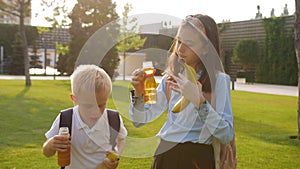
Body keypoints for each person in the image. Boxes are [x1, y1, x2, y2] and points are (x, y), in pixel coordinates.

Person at [129, 14, 236, 169]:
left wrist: (200, 103)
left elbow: (226, 134)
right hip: (165, 156)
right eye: (179, 41)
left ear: (206, 48)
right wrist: (139, 94)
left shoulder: (219, 81)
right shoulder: (169, 79)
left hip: (198, 160)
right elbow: (139, 121)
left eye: (189, 44)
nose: (180, 49)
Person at [43, 64, 127, 169]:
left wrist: (116, 154)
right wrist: (51, 144)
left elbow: (121, 139)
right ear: (74, 99)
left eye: (101, 105)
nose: (95, 112)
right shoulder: (66, 119)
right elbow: (47, 153)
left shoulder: (113, 119)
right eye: (88, 106)